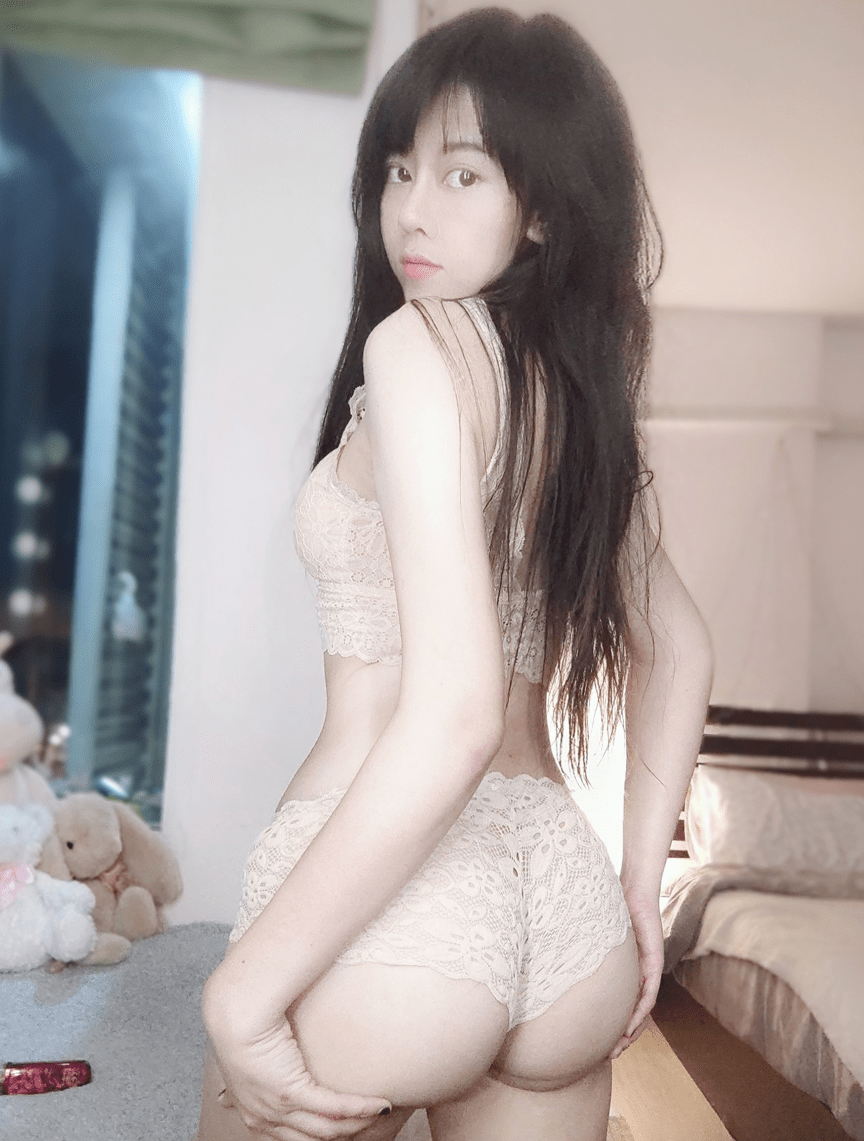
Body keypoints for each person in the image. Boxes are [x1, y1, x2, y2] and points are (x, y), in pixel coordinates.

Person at [195, 9, 713, 1141]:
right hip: (563, 907)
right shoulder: (576, 397)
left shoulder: (419, 344)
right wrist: (637, 886)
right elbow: (680, 643)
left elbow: (456, 716)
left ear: (544, 208)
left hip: (400, 912)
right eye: (398, 170)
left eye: (462, 173)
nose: (411, 210)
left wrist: (241, 992)